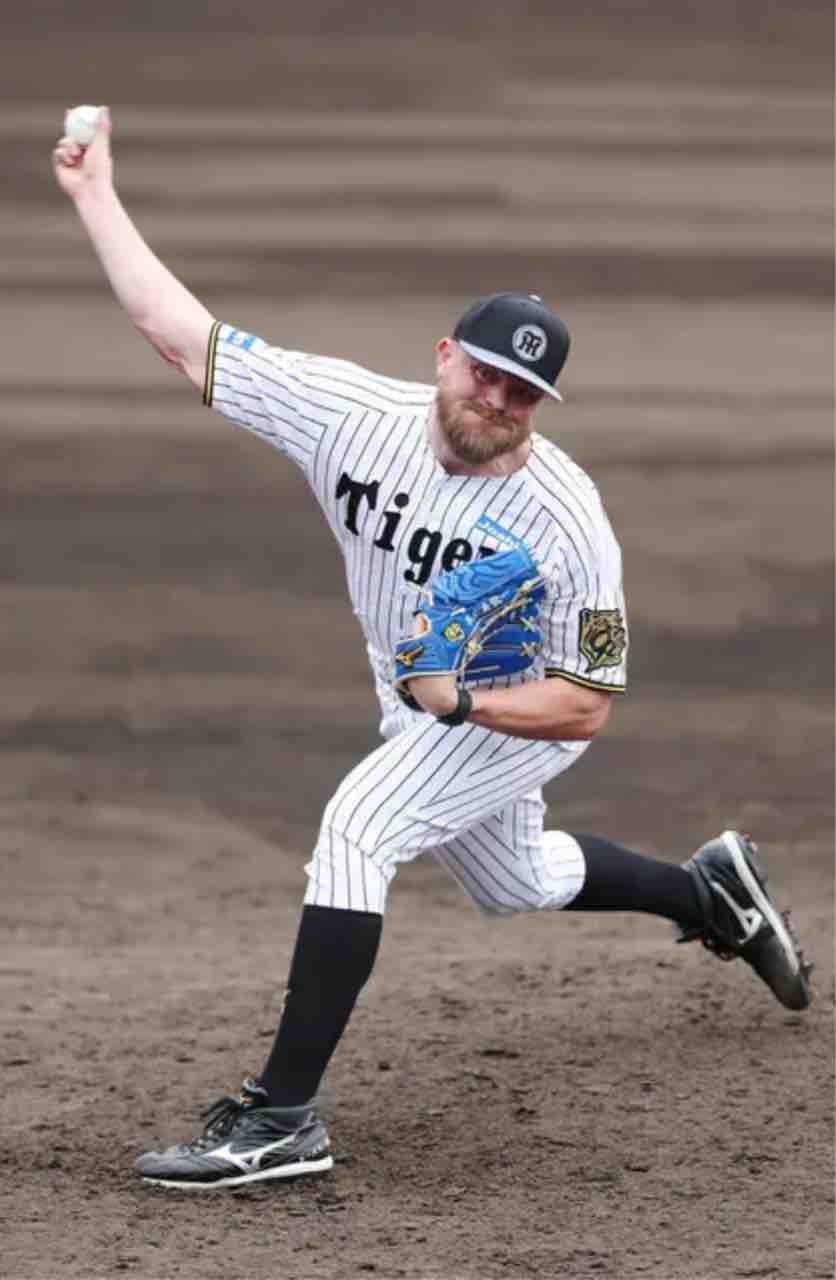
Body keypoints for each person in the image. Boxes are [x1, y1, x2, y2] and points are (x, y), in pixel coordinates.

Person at [52, 108, 812, 1192]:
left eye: (521, 392)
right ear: (445, 356)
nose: (495, 400)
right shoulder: (348, 414)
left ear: (541, 404)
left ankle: (280, 1118)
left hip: (514, 707)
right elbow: (182, 333)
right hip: (420, 691)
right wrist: (94, 195)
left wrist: (461, 705)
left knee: (357, 828)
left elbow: (587, 701)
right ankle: (711, 894)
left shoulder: (568, 519)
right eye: (483, 373)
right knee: (514, 879)